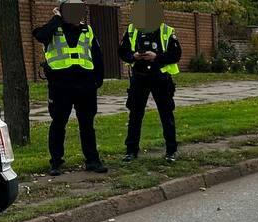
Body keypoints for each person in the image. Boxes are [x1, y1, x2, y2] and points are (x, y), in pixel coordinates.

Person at [32, 0, 107, 176]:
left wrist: (97, 81)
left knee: (87, 125)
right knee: (58, 124)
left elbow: (97, 56)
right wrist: (57, 18)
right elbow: (40, 35)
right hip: (60, 86)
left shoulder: (87, 30)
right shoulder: (52, 29)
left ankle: (92, 161)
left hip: (85, 86)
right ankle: (56, 162)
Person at [118, 0, 182, 163]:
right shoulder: (132, 30)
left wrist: (156, 57)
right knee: (135, 115)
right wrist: (133, 56)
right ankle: (131, 151)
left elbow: (176, 55)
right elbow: (122, 51)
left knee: (166, 114)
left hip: (160, 77)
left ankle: (171, 151)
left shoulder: (167, 30)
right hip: (139, 77)